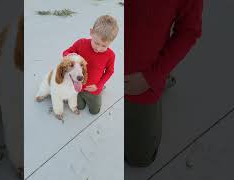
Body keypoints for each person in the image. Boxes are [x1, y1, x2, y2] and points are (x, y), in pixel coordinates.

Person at [125, 0, 203, 167]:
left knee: (139, 158)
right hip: (97, 65)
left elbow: (188, 31)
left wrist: (152, 77)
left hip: (139, 81)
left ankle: (162, 79)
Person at [63, 15, 119, 115]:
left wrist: (99, 85)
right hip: (77, 85)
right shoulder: (81, 43)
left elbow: (110, 71)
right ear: (91, 32)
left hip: (94, 89)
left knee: (94, 111)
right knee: (79, 107)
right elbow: (66, 52)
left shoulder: (110, 55)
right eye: (96, 43)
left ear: (111, 42)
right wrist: (71, 56)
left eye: (104, 46)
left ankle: (102, 89)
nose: (98, 48)